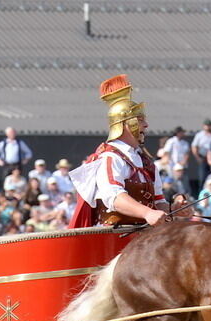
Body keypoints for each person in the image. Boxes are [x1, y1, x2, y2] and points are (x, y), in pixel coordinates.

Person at [68, 75, 168, 227]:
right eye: (140, 120)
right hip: (113, 237)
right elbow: (113, 196)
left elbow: (159, 202)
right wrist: (147, 213)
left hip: (145, 237)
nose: (146, 125)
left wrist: (176, 209)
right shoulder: (111, 158)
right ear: (126, 124)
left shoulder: (146, 162)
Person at [191, 119, 211, 187]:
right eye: (207, 125)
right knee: (202, 176)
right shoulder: (199, 135)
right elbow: (194, 146)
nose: (208, 127)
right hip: (202, 157)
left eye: (209, 125)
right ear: (204, 126)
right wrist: (197, 157)